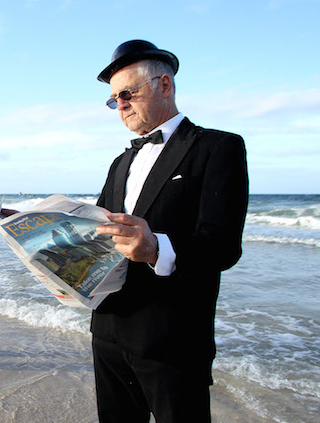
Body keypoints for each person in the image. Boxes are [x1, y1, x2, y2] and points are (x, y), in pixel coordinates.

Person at [91, 40, 249, 423]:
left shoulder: (219, 148)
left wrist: (156, 248)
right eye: (115, 100)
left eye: (128, 93)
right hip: (108, 330)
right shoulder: (119, 161)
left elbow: (224, 246)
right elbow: (100, 232)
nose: (121, 105)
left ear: (165, 85)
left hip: (173, 340)